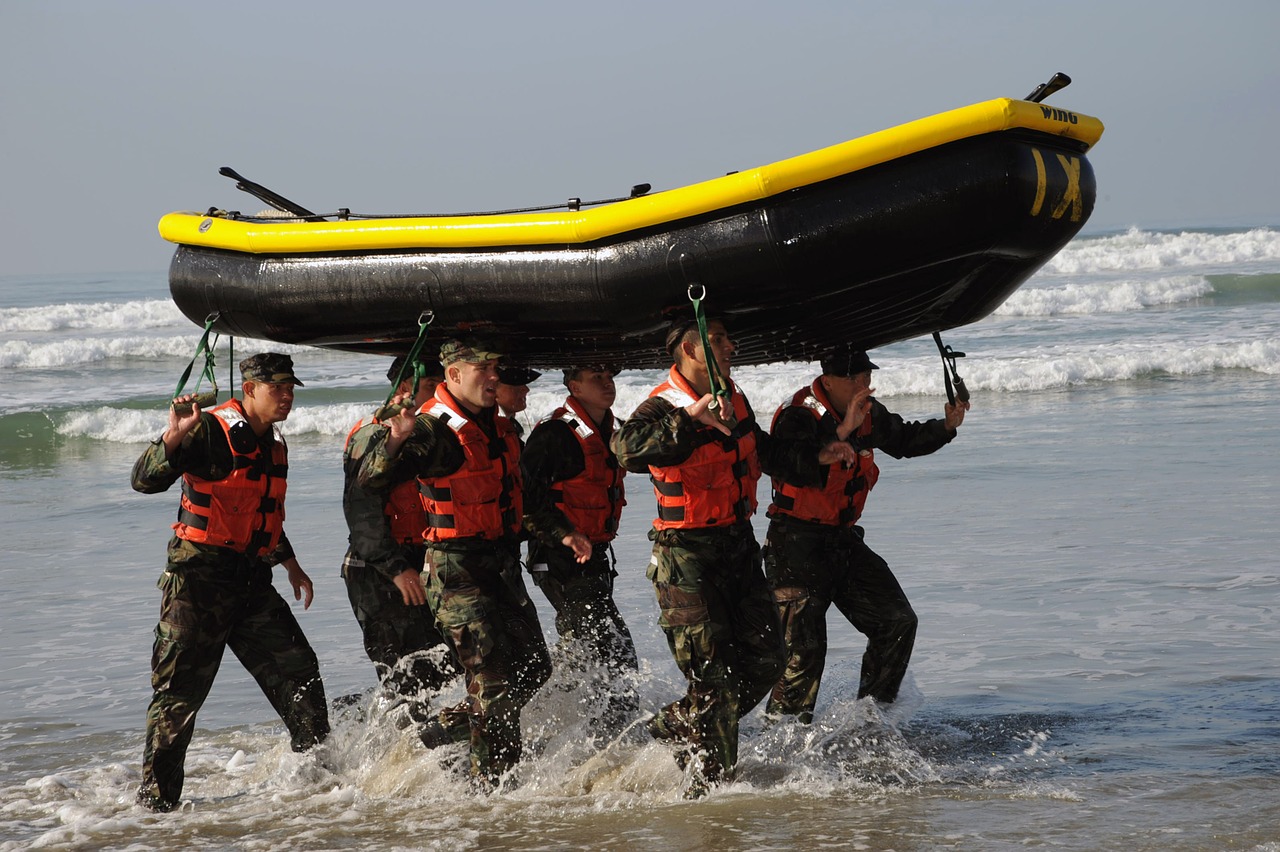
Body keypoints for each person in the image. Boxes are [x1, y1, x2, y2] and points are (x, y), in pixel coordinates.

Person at [611, 316, 854, 795]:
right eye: (719, 339)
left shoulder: (734, 398)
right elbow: (625, 451)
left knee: (768, 657)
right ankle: (712, 796)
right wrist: (689, 419)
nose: (731, 345)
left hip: (737, 547)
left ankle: (681, 719)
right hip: (687, 559)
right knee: (715, 679)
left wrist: (820, 457)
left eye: (727, 338)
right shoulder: (663, 405)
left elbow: (762, 452)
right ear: (690, 349)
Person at [132, 353, 329, 813]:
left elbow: (257, 513)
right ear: (250, 388)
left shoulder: (273, 444)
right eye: (277, 387)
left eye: (291, 387)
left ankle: (317, 786)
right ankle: (156, 810)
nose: (287, 395)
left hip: (251, 583)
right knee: (178, 699)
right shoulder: (208, 430)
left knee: (301, 675)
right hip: (198, 583)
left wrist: (291, 563)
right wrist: (174, 434)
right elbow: (143, 480)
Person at [359, 338, 552, 789]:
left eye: (494, 366)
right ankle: (490, 792)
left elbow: (519, 496)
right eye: (480, 368)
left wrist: (562, 532)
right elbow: (369, 479)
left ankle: (449, 727)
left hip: (500, 567)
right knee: (495, 683)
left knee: (534, 668)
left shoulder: (497, 427)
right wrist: (397, 438)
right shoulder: (434, 430)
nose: (492, 376)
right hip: (456, 572)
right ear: (453, 376)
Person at [763, 345, 970, 723]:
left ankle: (869, 722)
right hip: (796, 546)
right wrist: (840, 432)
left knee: (896, 621)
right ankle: (777, 750)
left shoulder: (869, 414)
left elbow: (904, 441)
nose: (865, 384)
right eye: (855, 378)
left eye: (867, 375)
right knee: (804, 655)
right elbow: (791, 464)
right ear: (828, 380)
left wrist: (946, 427)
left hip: (842, 541)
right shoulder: (799, 414)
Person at [340, 355, 459, 737]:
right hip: (378, 570)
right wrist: (395, 568)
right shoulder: (372, 436)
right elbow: (361, 511)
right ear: (405, 391)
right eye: (429, 387)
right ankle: (380, 753)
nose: (438, 393)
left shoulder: (424, 434)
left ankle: (393, 738)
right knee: (402, 672)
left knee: (435, 668)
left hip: (414, 560)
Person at [521, 364, 639, 736]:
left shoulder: (610, 430)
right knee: (616, 653)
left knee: (588, 650)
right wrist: (565, 533)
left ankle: (550, 720)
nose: (608, 384)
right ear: (574, 386)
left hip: (593, 559)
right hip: (558, 560)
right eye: (596, 378)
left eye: (610, 377)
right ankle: (610, 738)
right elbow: (524, 499)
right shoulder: (556, 434)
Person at [495, 364, 541, 439]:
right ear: (492, 388)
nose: (526, 389)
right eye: (515, 383)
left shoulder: (512, 426)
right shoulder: (491, 428)